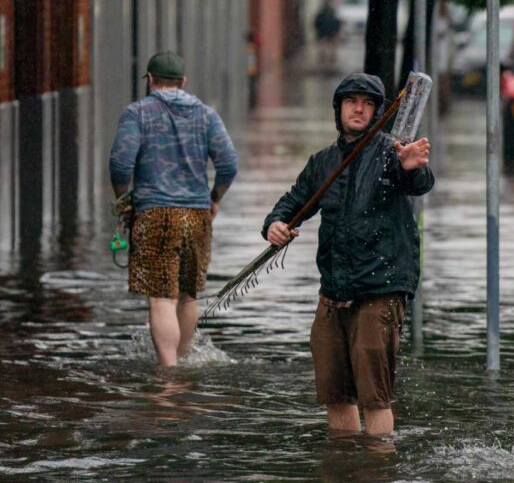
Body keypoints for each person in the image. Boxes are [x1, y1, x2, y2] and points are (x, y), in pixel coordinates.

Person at [262, 73, 433, 436]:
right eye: (351, 101)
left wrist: (411, 166)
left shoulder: (393, 152)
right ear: (338, 109)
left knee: (375, 398)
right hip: (333, 291)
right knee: (336, 396)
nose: (359, 109)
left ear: (377, 112)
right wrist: (275, 225)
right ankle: (343, 461)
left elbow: (419, 183)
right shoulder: (322, 162)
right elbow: (293, 203)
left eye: (368, 103)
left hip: (380, 290)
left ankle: (378, 462)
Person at [109, 51, 238, 367]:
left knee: (161, 298)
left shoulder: (137, 113)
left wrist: (124, 200)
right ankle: (183, 361)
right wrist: (214, 198)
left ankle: (169, 373)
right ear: (183, 81)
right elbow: (228, 163)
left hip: (154, 213)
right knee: (187, 295)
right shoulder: (207, 115)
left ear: (150, 79)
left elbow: (121, 163)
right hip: (196, 215)